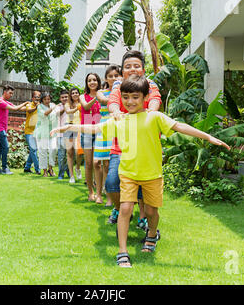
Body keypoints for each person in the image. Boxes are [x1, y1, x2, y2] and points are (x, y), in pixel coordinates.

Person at [50, 75, 230, 268]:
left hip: (152, 175)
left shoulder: (155, 117)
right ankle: (122, 251)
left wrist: (208, 137)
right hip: (128, 174)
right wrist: (69, 127)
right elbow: (95, 128)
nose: (130, 101)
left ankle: (152, 235)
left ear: (145, 98)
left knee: (152, 211)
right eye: (125, 97)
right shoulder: (119, 120)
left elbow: (180, 127)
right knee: (125, 209)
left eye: (135, 97)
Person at [106, 50, 162, 230]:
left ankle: (144, 218)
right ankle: (119, 209)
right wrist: (115, 112)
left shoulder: (150, 84)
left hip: (146, 146)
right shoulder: (117, 85)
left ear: (143, 69)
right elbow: (113, 101)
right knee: (112, 183)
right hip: (122, 145)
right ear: (122, 71)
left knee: (144, 186)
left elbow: (155, 99)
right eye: (127, 67)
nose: (132, 69)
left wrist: (151, 112)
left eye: (136, 66)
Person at [94, 65, 121, 206]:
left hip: (116, 126)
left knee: (108, 163)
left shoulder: (124, 91)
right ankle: (98, 193)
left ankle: (109, 196)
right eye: (110, 76)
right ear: (106, 78)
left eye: (116, 75)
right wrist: (116, 94)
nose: (113, 78)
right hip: (103, 124)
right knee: (96, 162)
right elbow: (104, 101)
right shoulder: (101, 92)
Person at [0, 85, 29, 175]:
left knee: (0, 148)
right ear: (5, 92)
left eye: (12, 93)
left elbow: (20, 108)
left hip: (1, 128)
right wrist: (25, 103)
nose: (11, 95)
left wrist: (32, 107)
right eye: (10, 93)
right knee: (6, 147)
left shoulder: (6, 102)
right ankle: (4, 168)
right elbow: (15, 109)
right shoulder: (0, 102)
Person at [79, 73, 102, 203]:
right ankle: (90, 192)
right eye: (89, 80)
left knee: (97, 163)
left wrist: (100, 96)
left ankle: (99, 193)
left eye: (94, 80)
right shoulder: (83, 96)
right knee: (88, 164)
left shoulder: (102, 94)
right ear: (87, 83)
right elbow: (86, 106)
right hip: (86, 130)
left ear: (98, 82)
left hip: (99, 130)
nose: (92, 82)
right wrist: (97, 98)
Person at [34, 92, 58, 177]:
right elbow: (45, 114)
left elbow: (59, 113)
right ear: (42, 100)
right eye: (45, 99)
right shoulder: (39, 106)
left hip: (52, 132)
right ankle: (44, 171)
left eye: (48, 99)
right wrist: (53, 108)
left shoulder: (53, 105)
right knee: (42, 151)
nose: (47, 101)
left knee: (53, 149)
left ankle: (50, 168)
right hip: (42, 132)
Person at [64, 87, 83, 183]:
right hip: (69, 127)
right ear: (70, 95)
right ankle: (71, 176)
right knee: (69, 152)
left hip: (79, 127)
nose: (75, 94)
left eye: (76, 93)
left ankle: (78, 168)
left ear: (79, 94)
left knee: (78, 152)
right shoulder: (68, 104)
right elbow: (68, 111)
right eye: (73, 93)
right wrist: (77, 108)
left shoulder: (82, 102)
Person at [22, 90, 41, 174]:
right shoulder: (29, 105)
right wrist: (36, 107)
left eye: (38, 97)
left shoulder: (41, 106)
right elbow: (29, 110)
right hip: (29, 131)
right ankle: (38, 169)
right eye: (35, 97)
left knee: (33, 150)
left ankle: (27, 167)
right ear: (32, 98)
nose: (37, 98)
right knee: (33, 150)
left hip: (37, 131)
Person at [55, 90, 70, 180]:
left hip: (71, 134)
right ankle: (61, 174)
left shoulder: (72, 105)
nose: (64, 98)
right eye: (63, 97)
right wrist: (65, 107)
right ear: (60, 98)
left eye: (66, 97)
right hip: (60, 135)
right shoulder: (58, 107)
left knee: (71, 155)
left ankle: (68, 171)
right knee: (61, 156)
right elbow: (57, 114)